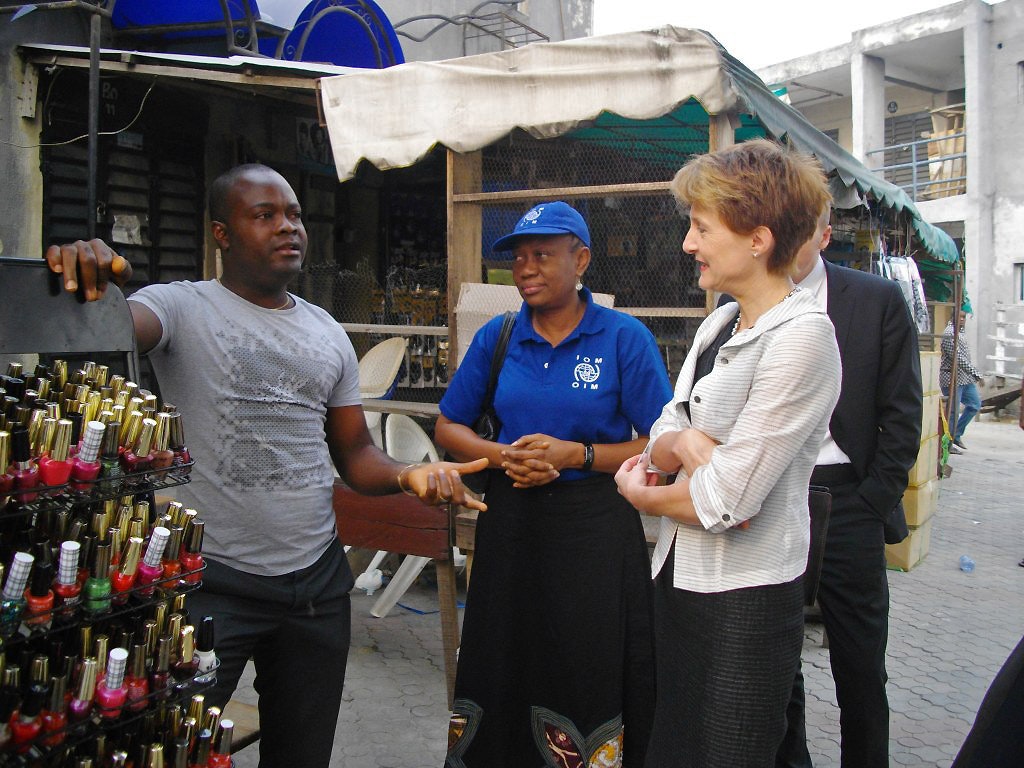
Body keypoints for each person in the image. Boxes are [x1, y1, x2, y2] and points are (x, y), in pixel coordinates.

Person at [44, 163, 487, 768]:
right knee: (173, 748)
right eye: (264, 215)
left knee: (302, 755)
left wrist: (407, 477)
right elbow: (119, 326)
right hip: (208, 584)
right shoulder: (179, 307)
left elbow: (354, 454)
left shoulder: (327, 332)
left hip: (316, 586)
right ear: (222, 233)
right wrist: (94, 278)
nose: (288, 228)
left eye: (295, 215)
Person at [614, 139, 841, 768]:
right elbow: (666, 423)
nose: (688, 243)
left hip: (744, 598)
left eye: (701, 227)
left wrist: (641, 493)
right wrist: (687, 443)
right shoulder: (720, 323)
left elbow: (726, 503)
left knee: (730, 750)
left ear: (758, 238)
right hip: (679, 578)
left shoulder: (803, 339)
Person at [436, 201, 671, 767]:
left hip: (594, 532)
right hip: (511, 527)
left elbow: (663, 443)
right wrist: (503, 455)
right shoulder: (500, 336)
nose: (526, 268)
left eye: (543, 254)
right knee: (503, 652)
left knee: (583, 659)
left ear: (581, 258)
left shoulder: (622, 338)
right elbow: (448, 424)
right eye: (518, 257)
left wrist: (579, 454)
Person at [775, 206, 924, 768]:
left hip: (848, 503)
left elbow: (902, 417)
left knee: (861, 668)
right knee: (777, 659)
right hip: (773, 497)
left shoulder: (876, 301)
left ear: (824, 235)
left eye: (802, 227)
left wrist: (870, 503)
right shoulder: (739, 305)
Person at [941, 307, 983, 454]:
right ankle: (948, 443)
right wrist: (976, 374)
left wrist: (972, 375)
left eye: (964, 317)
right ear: (953, 317)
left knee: (974, 405)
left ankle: (956, 434)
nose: (962, 320)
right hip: (951, 378)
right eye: (959, 317)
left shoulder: (961, 333)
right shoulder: (948, 334)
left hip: (965, 379)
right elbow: (958, 359)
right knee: (952, 411)